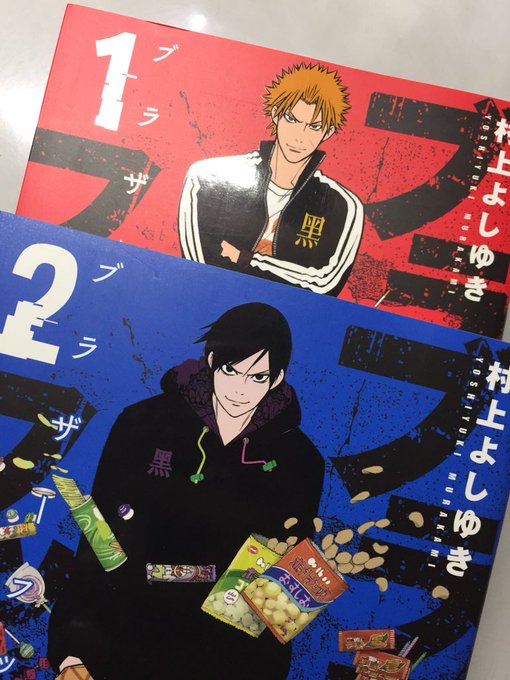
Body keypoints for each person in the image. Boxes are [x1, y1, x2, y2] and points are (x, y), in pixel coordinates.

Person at [48, 303, 325, 679]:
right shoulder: (143, 422)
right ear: (211, 361)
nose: (240, 390)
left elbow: (285, 583)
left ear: (276, 379)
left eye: (258, 377)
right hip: (126, 628)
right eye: (231, 370)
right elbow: (97, 535)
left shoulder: (301, 460)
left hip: (227, 655)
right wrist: (73, 650)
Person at [179, 63, 364, 296]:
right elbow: (198, 270)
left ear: (327, 132)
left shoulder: (343, 205)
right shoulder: (205, 178)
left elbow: (323, 284)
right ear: (276, 114)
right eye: (292, 119)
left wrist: (243, 258)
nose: (299, 136)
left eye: (314, 126)